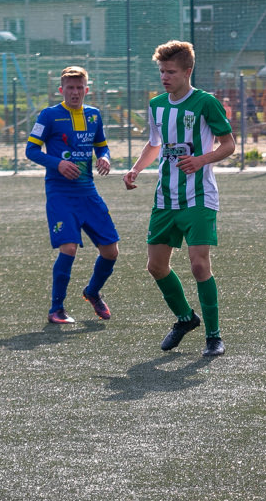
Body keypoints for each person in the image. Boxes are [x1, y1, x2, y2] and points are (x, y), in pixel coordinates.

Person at [122, 40, 235, 357]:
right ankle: (186, 319)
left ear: (188, 71)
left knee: (200, 266)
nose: (164, 77)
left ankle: (213, 336)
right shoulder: (157, 105)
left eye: (170, 71)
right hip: (165, 199)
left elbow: (229, 145)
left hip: (199, 197)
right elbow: (154, 145)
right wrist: (135, 170)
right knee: (155, 267)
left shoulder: (206, 103)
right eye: (161, 71)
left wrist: (201, 160)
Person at [25, 66, 119, 324]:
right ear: (61, 90)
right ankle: (57, 309)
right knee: (68, 247)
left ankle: (91, 292)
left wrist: (104, 158)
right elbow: (31, 151)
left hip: (87, 192)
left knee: (111, 251)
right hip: (60, 194)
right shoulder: (49, 115)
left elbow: (102, 146)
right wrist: (58, 163)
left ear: (87, 90)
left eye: (80, 88)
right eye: (70, 88)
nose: (75, 92)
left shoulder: (94, 115)